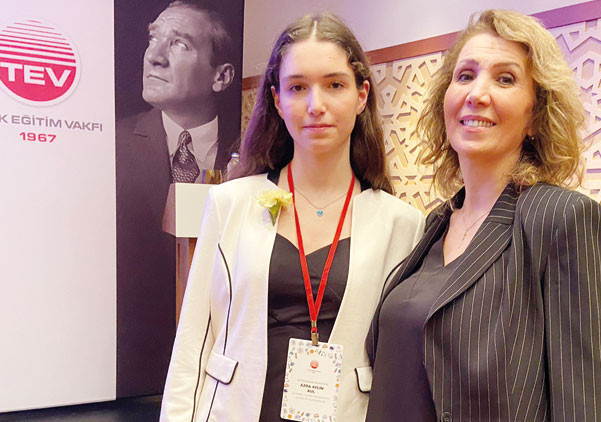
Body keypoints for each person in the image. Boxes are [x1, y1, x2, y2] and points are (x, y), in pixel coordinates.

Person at [160, 12, 424, 422]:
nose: (316, 105)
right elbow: (194, 340)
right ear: (277, 100)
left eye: (334, 85)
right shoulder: (230, 203)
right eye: (298, 87)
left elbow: (399, 363)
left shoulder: (403, 224)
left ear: (361, 96)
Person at [366, 10, 601, 422]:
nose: (477, 94)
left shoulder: (563, 220)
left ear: (536, 116)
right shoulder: (435, 224)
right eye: (465, 76)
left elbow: (585, 408)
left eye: (505, 79)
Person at [114, 0, 239, 396]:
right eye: (153, 39)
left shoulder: (254, 155)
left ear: (221, 76)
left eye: (180, 44)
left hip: (222, 373)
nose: (155, 56)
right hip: (128, 377)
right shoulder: (109, 146)